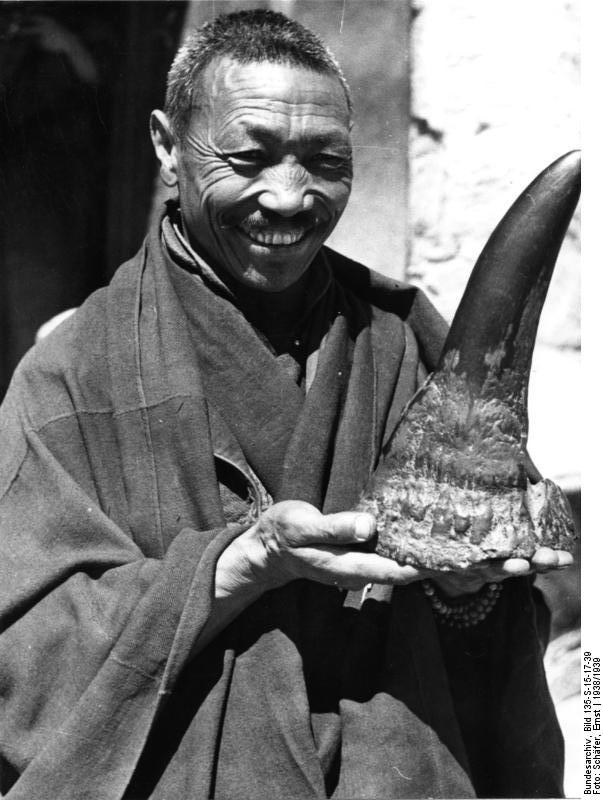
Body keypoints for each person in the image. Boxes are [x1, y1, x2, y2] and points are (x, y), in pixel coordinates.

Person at [0, 9, 572, 799]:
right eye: (249, 156)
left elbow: (487, 633)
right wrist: (242, 563)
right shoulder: (73, 373)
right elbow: (25, 657)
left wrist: (467, 591)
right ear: (168, 148)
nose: (289, 197)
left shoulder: (400, 340)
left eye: (324, 161)